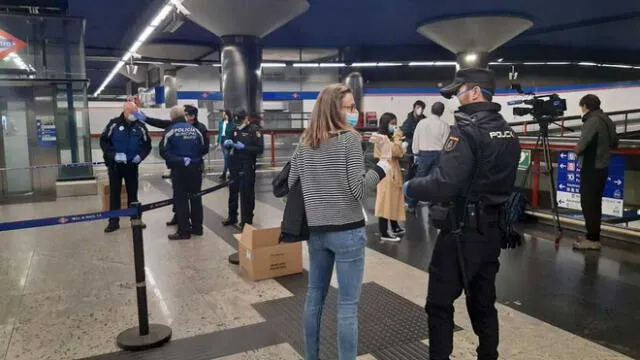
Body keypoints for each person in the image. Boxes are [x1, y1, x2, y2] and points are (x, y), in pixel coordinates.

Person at [403, 68, 520, 360]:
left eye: (459, 92)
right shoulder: (507, 131)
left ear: (476, 92)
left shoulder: (466, 131)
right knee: (483, 302)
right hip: (493, 230)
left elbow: (444, 184)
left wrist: (410, 187)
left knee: (439, 304)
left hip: (461, 233)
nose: (457, 98)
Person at [288, 83, 391, 360]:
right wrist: (384, 165)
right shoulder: (348, 139)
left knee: (314, 299)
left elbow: (291, 182)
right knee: (347, 306)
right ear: (335, 110)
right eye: (350, 107)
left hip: (317, 232)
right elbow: (358, 189)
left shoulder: (305, 140)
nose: (355, 112)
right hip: (347, 233)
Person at [573, 94, 617, 250]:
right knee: (595, 203)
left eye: (581, 106)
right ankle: (592, 235)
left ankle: (593, 240)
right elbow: (615, 142)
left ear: (586, 106)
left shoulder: (592, 121)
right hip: (602, 167)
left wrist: (575, 151)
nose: (581, 109)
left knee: (588, 203)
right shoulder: (607, 119)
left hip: (591, 168)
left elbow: (582, 144)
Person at [100, 102, 152, 233]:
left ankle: (135, 219)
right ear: (125, 111)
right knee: (115, 194)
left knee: (133, 193)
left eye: (136, 112)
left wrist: (140, 156)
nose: (134, 115)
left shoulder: (140, 126)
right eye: (132, 112)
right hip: (115, 165)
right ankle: (113, 222)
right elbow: (104, 142)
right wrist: (113, 155)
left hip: (132, 165)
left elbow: (147, 145)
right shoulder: (113, 124)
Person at [159, 106, 209, 240]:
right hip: (195, 168)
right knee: (196, 198)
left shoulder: (170, 130)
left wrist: (179, 159)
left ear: (172, 117)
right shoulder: (196, 130)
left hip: (179, 169)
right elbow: (204, 148)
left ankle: (184, 231)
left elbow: (163, 151)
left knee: (181, 200)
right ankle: (198, 228)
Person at [221, 110, 264, 228]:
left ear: (246, 118)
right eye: (237, 121)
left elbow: (259, 149)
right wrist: (228, 144)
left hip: (247, 164)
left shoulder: (254, 130)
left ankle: (247, 220)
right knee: (233, 191)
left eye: (241, 120)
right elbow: (229, 141)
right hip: (234, 163)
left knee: (247, 193)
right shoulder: (234, 129)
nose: (239, 123)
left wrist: (245, 147)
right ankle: (232, 216)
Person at [406, 101, 451, 210]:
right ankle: (434, 206)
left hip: (423, 155)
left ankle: (411, 205)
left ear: (431, 109)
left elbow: (415, 139)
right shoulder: (444, 125)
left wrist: (415, 154)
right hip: (439, 155)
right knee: (436, 181)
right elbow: (446, 144)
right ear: (442, 112)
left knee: (418, 180)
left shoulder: (421, 123)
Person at [374, 112, 406, 242]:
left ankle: (394, 226)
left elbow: (399, 154)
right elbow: (396, 151)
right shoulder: (382, 138)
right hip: (386, 172)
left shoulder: (388, 137)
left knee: (394, 199)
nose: (394, 126)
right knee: (385, 201)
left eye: (395, 123)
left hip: (393, 169)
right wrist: (398, 138)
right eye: (392, 124)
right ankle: (383, 232)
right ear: (385, 123)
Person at [400, 100, 426, 211]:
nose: (419, 109)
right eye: (418, 107)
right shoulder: (409, 119)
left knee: (418, 175)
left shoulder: (424, 119)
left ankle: (416, 197)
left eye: (421, 108)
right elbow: (404, 131)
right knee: (409, 174)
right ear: (414, 107)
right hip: (410, 151)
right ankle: (406, 197)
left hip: (421, 150)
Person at [217, 109, 234, 181]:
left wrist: (227, 123)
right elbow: (220, 132)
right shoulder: (220, 122)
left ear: (228, 115)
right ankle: (229, 173)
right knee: (227, 157)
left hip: (229, 141)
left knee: (227, 157)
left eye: (224, 114)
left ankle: (225, 173)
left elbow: (230, 132)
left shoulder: (231, 124)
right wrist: (218, 141)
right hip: (222, 141)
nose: (223, 115)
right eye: (223, 114)